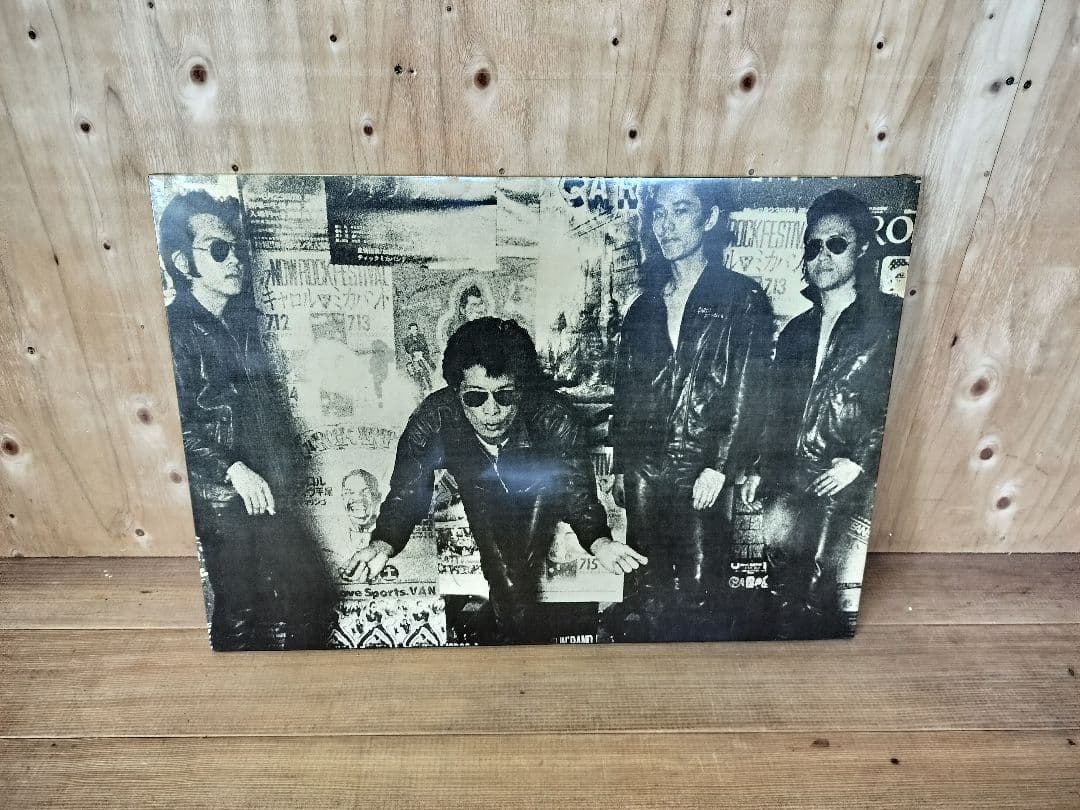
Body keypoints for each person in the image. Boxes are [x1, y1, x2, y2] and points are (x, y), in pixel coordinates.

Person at [344, 317, 646, 644]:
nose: (492, 411)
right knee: (504, 578)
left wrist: (599, 541)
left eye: (505, 396)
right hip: (478, 481)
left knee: (516, 577)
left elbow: (577, 492)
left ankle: (519, 652)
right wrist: (383, 542)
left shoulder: (553, 418)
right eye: (476, 398)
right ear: (456, 392)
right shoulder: (434, 418)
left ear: (522, 390)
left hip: (536, 480)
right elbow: (407, 491)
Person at [159, 190, 335, 650]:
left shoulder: (237, 322)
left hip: (264, 488)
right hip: (222, 496)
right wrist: (232, 469)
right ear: (183, 262)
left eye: (234, 247)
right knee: (242, 609)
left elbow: (258, 406)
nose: (234, 258)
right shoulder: (174, 330)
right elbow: (173, 423)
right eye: (218, 250)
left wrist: (286, 465)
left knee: (311, 596)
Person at [610, 180, 773, 641]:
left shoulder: (742, 297)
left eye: (681, 211)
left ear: (709, 218)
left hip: (701, 464)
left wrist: (720, 465)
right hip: (645, 467)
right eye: (659, 214)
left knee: (702, 590)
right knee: (647, 587)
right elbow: (626, 394)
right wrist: (623, 467)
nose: (667, 225)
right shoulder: (643, 308)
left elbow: (749, 390)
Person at [741, 188, 902, 638]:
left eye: (837, 244)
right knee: (780, 588)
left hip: (841, 477)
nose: (823, 256)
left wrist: (860, 461)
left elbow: (897, 401)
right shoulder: (797, 330)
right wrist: (759, 467)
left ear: (862, 248)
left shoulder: (889, 320)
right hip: (787, 476)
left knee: (816, 593)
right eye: (814, 246)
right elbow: (774, 409)